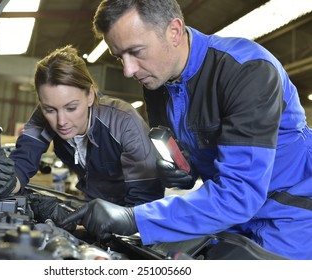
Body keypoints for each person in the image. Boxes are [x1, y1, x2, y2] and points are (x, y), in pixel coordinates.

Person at [61, 0, 312, 259]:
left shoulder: (247, 70)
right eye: (119, 57)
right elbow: (191, 160)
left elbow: (239, 194)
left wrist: (135, 218)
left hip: (292, 216)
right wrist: (184, 171)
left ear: (174, 31)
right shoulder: (157, 84)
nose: (128, 70)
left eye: (136, 51)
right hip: (226, 215)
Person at [0, 45, 165, 222]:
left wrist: (122, 224)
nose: (61, 121)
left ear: (90, 96)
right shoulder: (43, 117)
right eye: (50, 110)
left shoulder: (124, 122)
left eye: (71, 108)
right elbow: (23, 162)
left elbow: (146, 198)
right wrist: (5, 181)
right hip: (91, 204)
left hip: (131, 212)